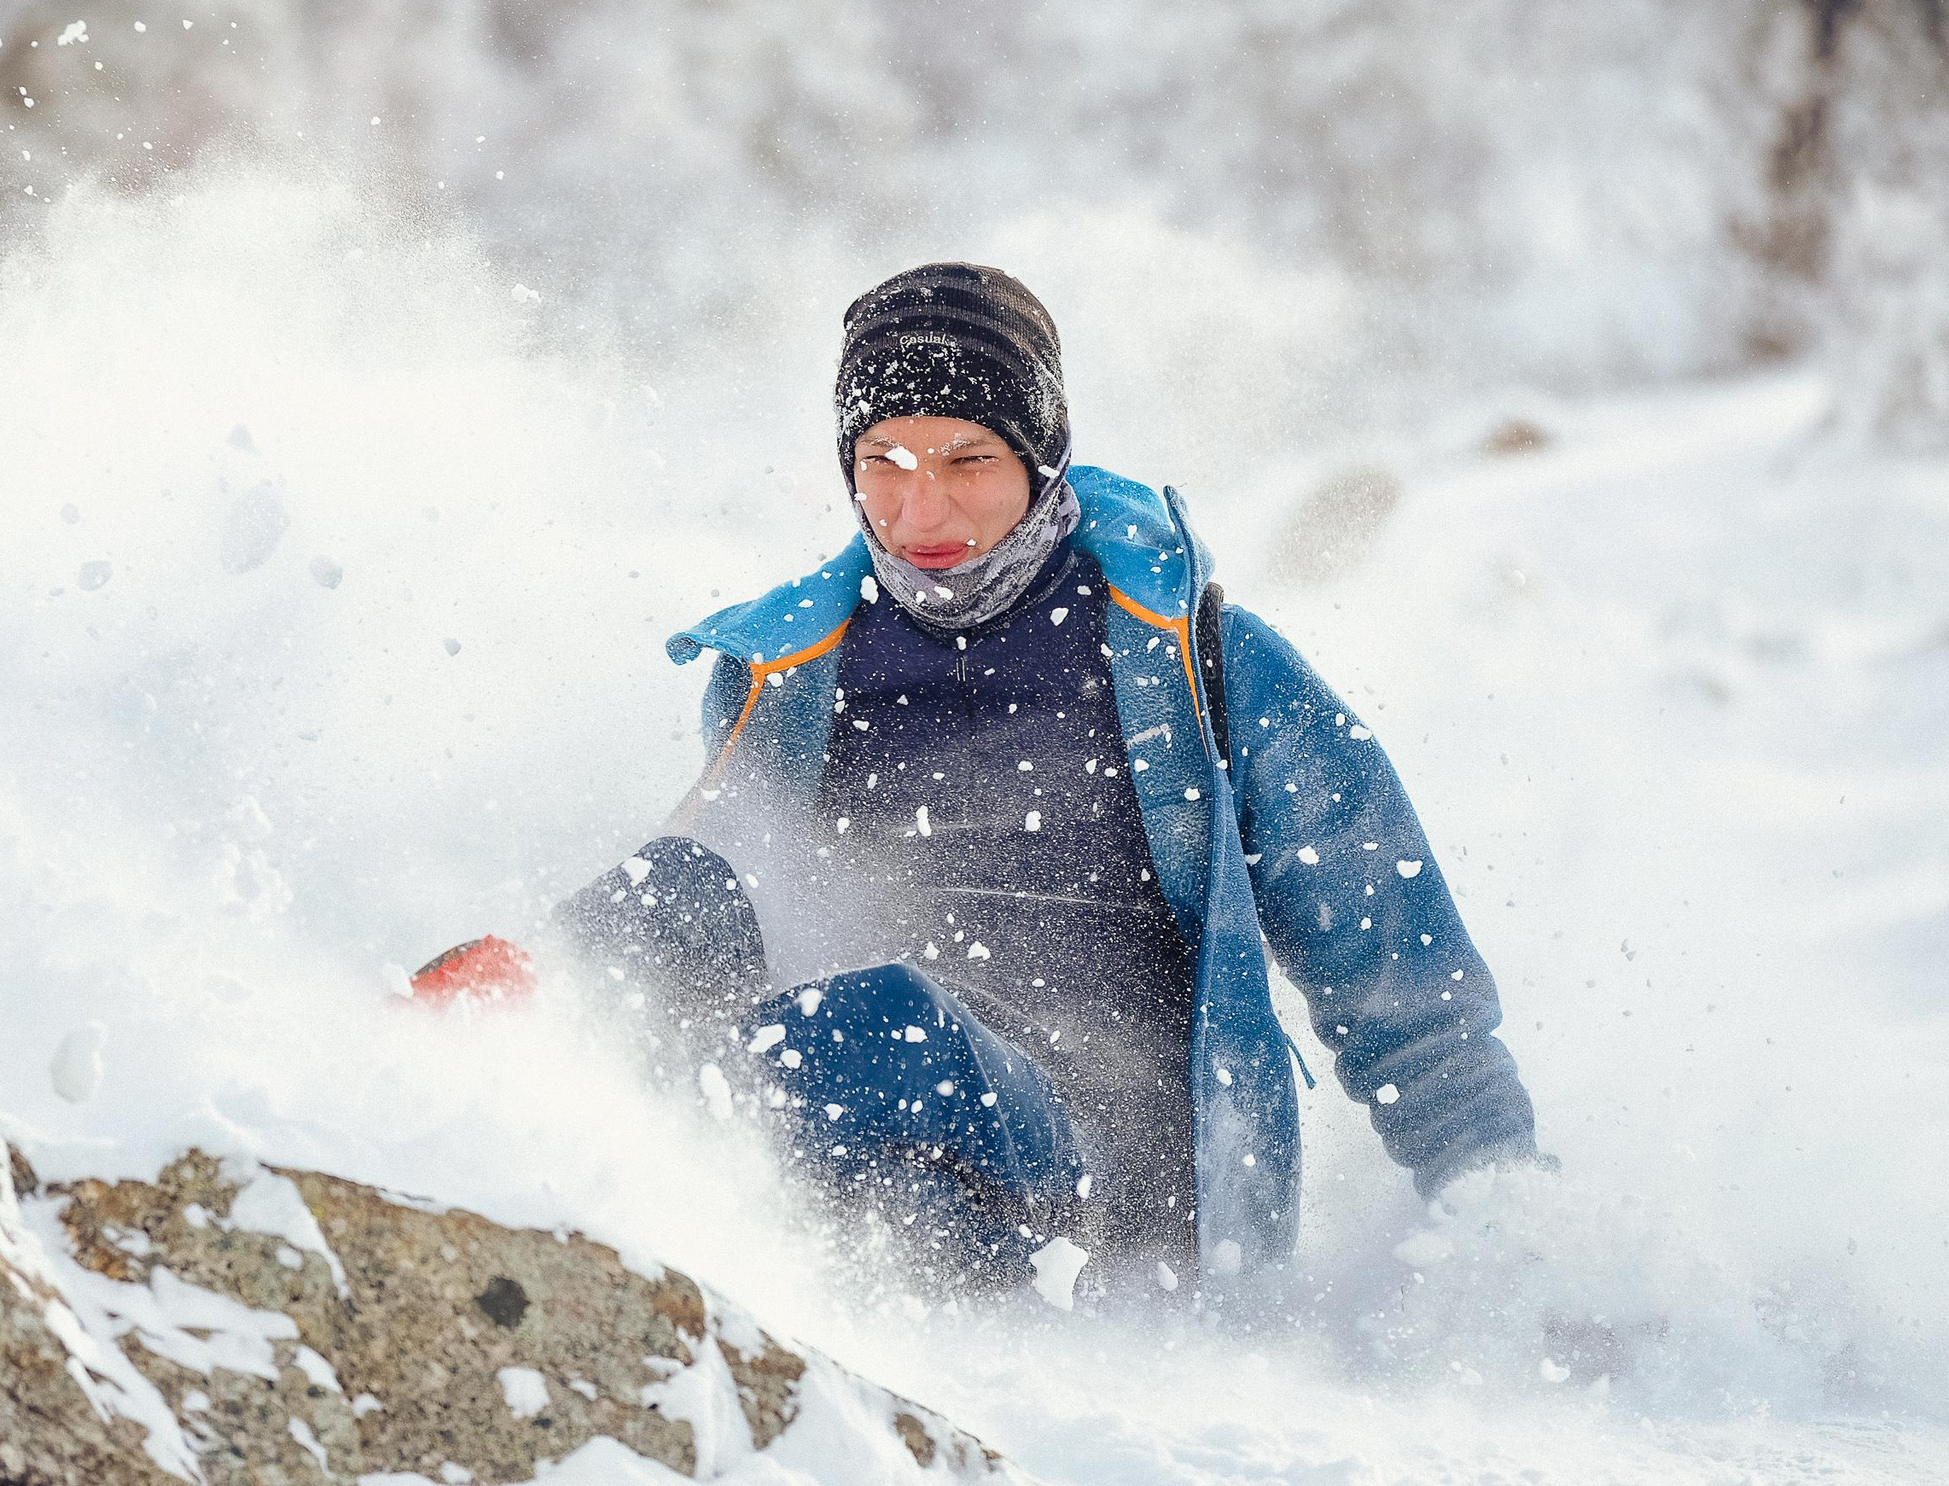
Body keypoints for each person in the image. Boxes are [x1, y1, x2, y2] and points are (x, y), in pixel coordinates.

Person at [448, 262, 1542, 1297]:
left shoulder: (1199, 662)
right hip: (870, 1121)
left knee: (868, 1030)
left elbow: (1402, 984)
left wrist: (1515, 1245)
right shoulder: (790, 668)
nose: (920, 513)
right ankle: (422, 1087)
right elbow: (717, 888)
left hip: (1129, 1174)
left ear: (1042, 456)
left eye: (967, 460)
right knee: (687, 901)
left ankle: (619, 1179)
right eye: (882, 462)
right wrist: (562, 973)